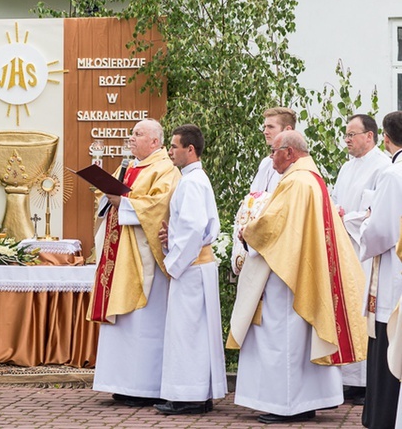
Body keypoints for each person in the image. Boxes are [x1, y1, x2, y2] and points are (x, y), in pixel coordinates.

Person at [235, 130, 367, 424]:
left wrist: (247, 231)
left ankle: (287, 405)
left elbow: (274, 225)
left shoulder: (295, 182)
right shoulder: (312, 179)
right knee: (299, 340)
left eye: (274, 152)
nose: (271, 158)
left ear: (289, 152)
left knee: (285, 340)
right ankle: (306, 402)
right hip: (302, 270)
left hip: (287, 277)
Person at [89, 118, 181, 407]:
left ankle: (144, 386)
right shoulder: (128, 166)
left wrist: (124, 202)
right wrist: (107, 193)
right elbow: (108, 199)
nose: (131, 138)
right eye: (131, 134)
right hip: (118, 252)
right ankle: (120, 382)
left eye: (138, 134)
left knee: (143, 322)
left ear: (155, 141)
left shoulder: (165, 169)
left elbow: (157, 206)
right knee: (123, 324)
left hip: (143, 256)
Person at [153, 124, 227, 415]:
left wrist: (173, 261)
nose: (170, 151)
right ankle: (198, 394)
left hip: (190, 267)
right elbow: (190, 227)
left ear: (190, 149)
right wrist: (171, 237)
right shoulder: (193, 179)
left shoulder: (193, 182)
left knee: (188, 333)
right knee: (195, 332)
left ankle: (189, 397)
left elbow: (195, 228)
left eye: (174, 146)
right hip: (196, 264)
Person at [332, 114, 390, 405]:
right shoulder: (346, 167)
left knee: (363, 311)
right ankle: (347, 380)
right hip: (344, 248)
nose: (347, 140)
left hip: (365, 251)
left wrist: (346, 218)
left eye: (352, 134)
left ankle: (365, 382)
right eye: (346, 135)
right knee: (345, 309)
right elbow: (335, 200)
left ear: (370, 136)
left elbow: (374, 212)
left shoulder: (383, 166)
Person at [358, 111, 402, 428]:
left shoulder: (392, 175)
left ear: (385, 138)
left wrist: (365, 222)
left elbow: (381, 232)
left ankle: (382, 418)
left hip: (392, 276)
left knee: (389, 347)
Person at [250, 107, 296, 193]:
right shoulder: (265, 163)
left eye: (270, 127)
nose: (265, 132)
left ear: (288, 130)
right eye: (265, 127)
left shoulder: (297, 166)